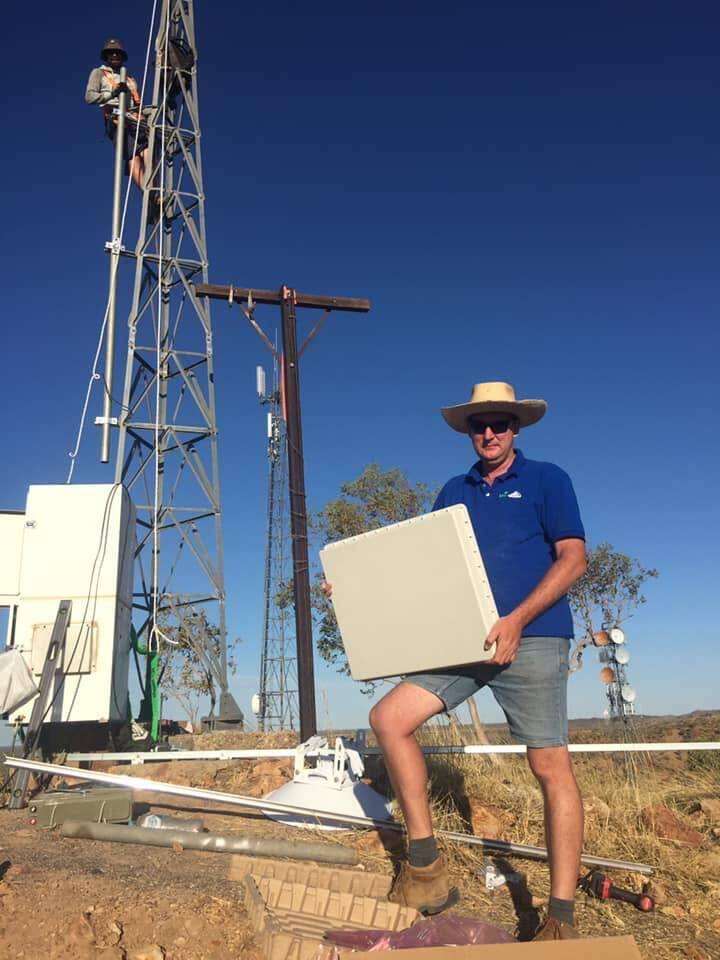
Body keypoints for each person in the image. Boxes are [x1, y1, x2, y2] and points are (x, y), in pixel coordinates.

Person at [364, 381, 587, 941]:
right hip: (464, 642)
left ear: (516, 428)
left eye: (499, 423)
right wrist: (359, 591)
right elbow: (428, 570)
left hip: (534, 637)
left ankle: (559, 919)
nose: (489, 433)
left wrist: (517, 619)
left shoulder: (548, 480)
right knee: (389, 719)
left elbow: (573, 559)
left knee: (549, 766)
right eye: (478, 425)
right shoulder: (452, 491)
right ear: (468, 432)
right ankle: (426, 871)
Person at [85, 39, 150, 196]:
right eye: (111, 53)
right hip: (116, 118)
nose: (114, 55)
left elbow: (138, 102)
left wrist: (152, 112)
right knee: (132, 155)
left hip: (136, 119)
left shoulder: (130, 79)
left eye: (117, 53)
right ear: (106, 56)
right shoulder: (99, 73)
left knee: (148, 150)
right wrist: (112, 94)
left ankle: (154, 188)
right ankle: (149, 194)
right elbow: (89, 97)